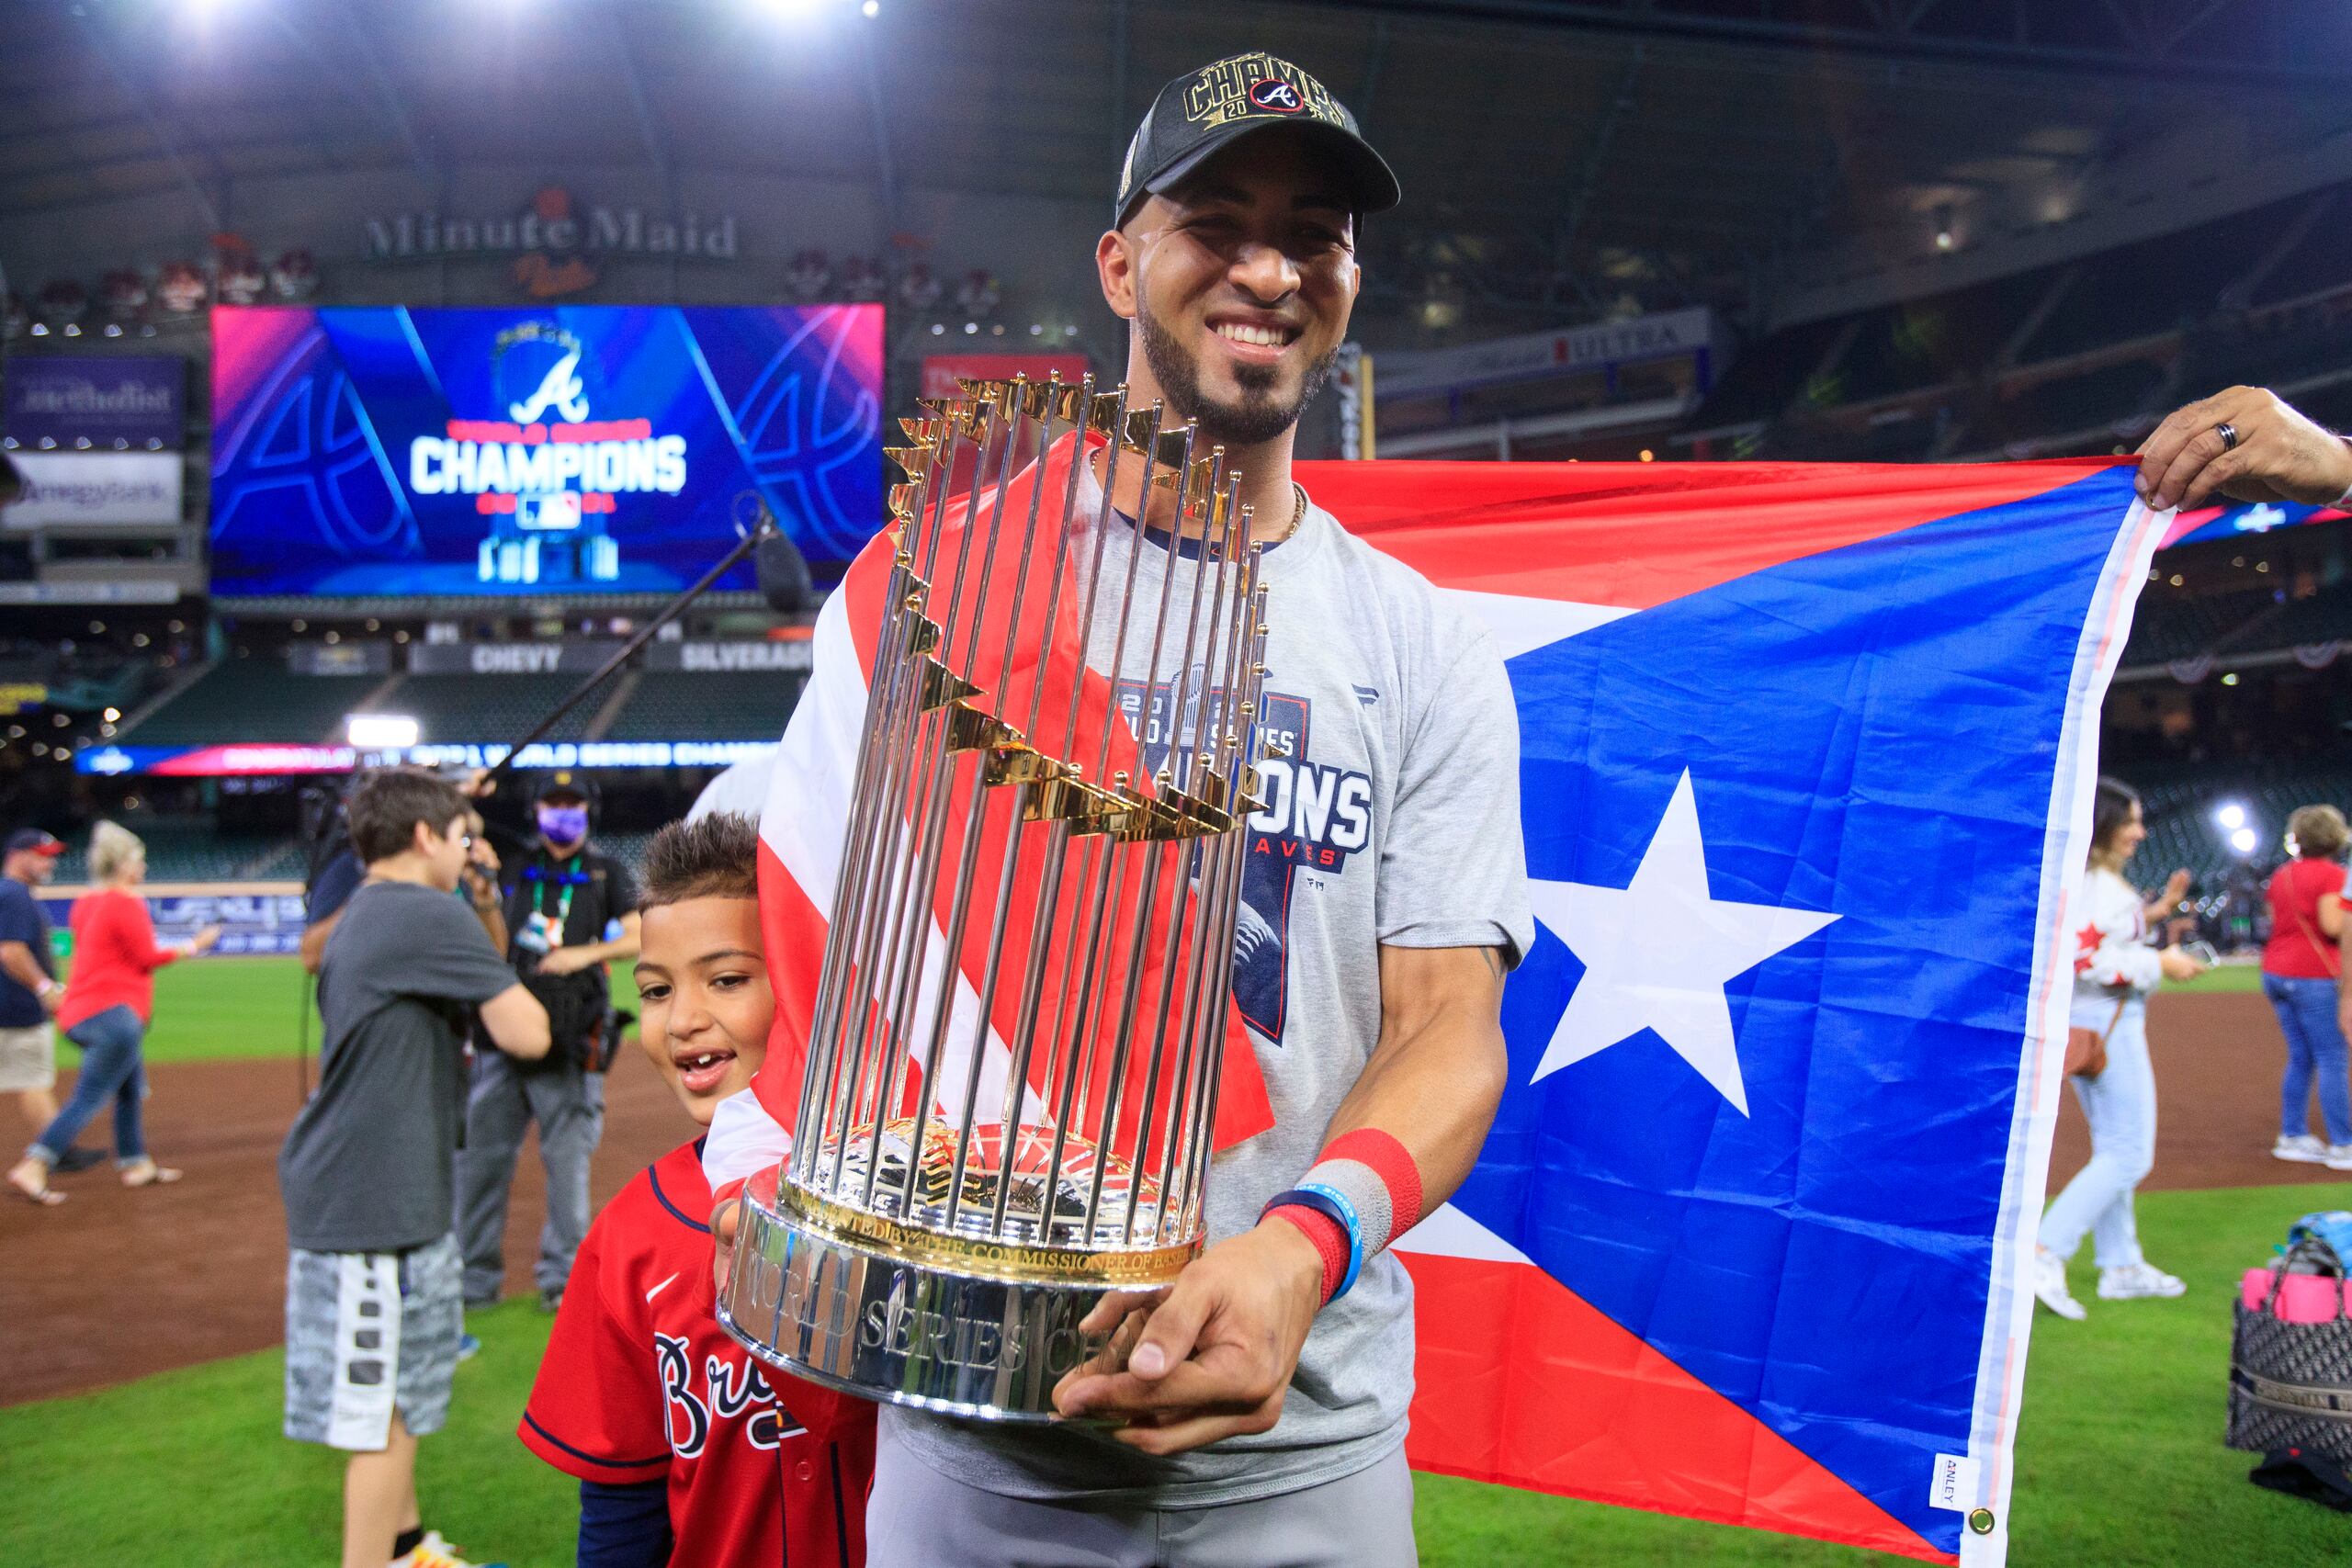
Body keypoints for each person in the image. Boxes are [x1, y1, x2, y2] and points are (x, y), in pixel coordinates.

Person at [708, 51, 1532, 1568]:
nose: (1272, 268)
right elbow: (815, 982)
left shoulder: (1423, 642)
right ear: (1119, 260)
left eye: (1318, 233)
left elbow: (1446, 1026)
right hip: (981, 1444)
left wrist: (1300, 1246)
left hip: (1310, 1440)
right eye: (1217, 217)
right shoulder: (931, 597)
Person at [520, 812, 875, 1566]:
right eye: (654, 990)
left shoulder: (920, 1195)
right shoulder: (627, 1236)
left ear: (811, 977)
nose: (681, 1019)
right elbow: (623, 1506)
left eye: (727, 979)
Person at [277, 768, 551, 1568]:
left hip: (388, 1191)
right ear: (426, 837)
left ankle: (407, 1550)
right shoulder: (419, 913)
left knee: (402, 1395)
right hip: (372, 1200)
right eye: (460, 835)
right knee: (382, 1413)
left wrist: (476, 892)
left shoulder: (376, 911)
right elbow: (528, 1031)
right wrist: (475, 893)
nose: (470, 848)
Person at [457, 773, 640, 1313]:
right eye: (553, 804)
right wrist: (471, 795)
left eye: (573, 804)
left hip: (571, 1035)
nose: (563, 813)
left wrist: (581, 954)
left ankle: (562, 1280)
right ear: (535, 810)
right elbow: (465, 827)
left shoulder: (607, 871)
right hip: (502, 1032)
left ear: (589, 810)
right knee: (482, 1163)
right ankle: (474, 1280)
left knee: (567, 1167)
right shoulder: (512, 862)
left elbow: (636, 935)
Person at [2034, 777, 2207, 1319]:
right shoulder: (2103, 889)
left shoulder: (2086, 881)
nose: (2139, 831)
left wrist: (2154, 920)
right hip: (2108, 1022)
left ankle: (2122, 1265)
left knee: (2114, 1145)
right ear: (2104, 827)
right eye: (2129, 821)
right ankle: (2045, 1250)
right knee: (2130, 1152)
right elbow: (2083, 960)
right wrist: (2159, 962)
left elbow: (2095, 940)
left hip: (2089, 1023)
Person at [6, 821, 219, 1204]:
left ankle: (136, 1163)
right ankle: (35, 1164)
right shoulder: (126, 902)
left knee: (128, 1089)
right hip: (114, 1015)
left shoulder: (87, 901)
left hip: (81, 1011)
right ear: (123, 865)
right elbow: (147, 957)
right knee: (90, 1096)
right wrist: (194, 945)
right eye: (139, 861)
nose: (144, 869)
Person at [0, 829, 100, 1174]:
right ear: (17, 855)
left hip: (12, 1006)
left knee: (31, 1078)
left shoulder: (14, 893)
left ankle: (57, 1147)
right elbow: (11, 951)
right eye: (42, 854)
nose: (50, 861)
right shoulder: (13, 894)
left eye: (52, 854)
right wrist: (45, 988)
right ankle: (55, 1148)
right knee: (32, 1078)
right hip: (15, 1007)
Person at [2263, 805, 2351, 1168]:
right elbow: (2332, 925)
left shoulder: (2281, 873)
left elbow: (2274, 918)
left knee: (2301, 1056)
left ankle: (2293, 1134)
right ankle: (2344, 1144)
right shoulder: (2332, 875)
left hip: (2275, 970)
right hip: (2313, 973)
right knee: (2332, 1057)